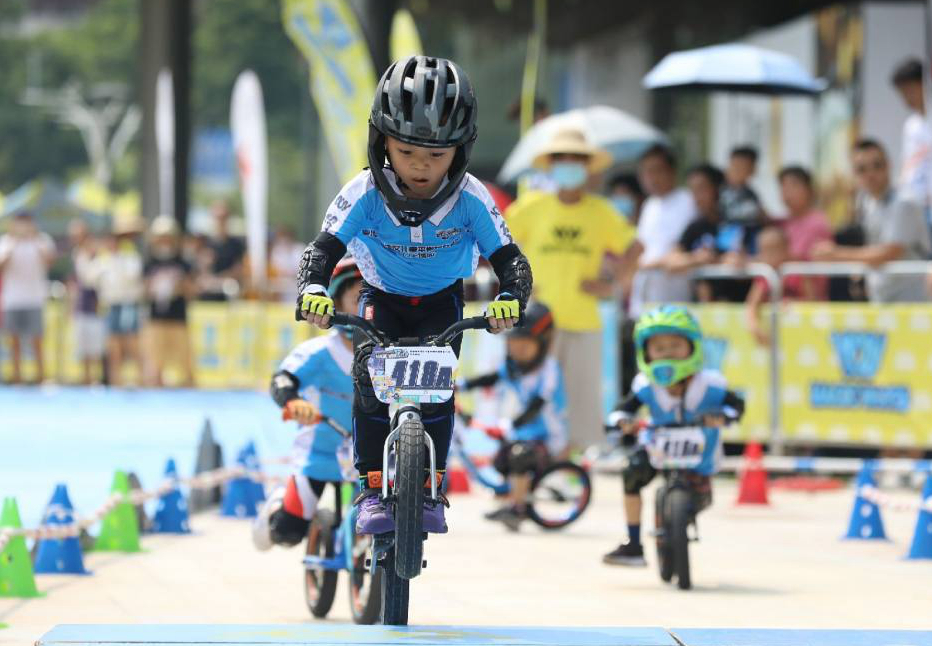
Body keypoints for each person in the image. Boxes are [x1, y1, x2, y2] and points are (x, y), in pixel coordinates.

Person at [296, 55, 532, 536]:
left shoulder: (472, 199)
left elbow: (512, 261)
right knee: (368, 380)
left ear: (461, 151)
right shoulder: (361, 192)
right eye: (406, 152)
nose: (420, 166)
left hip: (443, 305)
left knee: (438, 391)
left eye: (436, 155)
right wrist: (314, 289)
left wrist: (511, 297)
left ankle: (431, 486)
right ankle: (369, 485)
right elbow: (319, 253)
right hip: (379, 300)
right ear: (381, 142)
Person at [506, 128, 634, 451]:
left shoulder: (601, 211)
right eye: (561, 158)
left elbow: (635, 247)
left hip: (582, 319)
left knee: (579, 399)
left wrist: (614, 283)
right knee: (532, 394)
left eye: (577, 158)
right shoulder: (531, 206)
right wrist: (514, 283)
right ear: (550, 164)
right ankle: (531, 459)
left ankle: (569, 465)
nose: (569, 164)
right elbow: (497, 240)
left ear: (588, 165)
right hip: (536, 322)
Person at [602, 305, 744, 566]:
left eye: (675, 345)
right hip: (658, 449)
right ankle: (633, 543)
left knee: (702, 496)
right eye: (659, 348)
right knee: (632, 472)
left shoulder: (710, 385)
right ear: (646, 353)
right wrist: (622, 422)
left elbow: (736, 405)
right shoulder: (646, 386)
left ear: (693, 347)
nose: (667, 353)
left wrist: (724, 416)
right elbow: (621, 410)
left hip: (700, 457)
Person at [254, 259, 363, 550]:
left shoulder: (389, 356)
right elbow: (283, 380)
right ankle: (279, 504)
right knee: (287, 532)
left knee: (384, 519)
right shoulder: (318, 353)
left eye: (374, 299)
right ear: (337, 302)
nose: (368, 308)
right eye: (358, 299)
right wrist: (293, 402)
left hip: (367, 459)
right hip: (318, 455)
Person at [456, 302, 567, 531]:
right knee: (501, 458)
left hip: (548, 437)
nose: (517, 351)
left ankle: (517, 509)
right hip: (525, 433)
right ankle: (513, 498)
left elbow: (537, 407)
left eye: (524, 346)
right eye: (513, 346)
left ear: (543, 343)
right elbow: (490, 378)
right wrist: (460, 385)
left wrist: (509, 425)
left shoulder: (548, 370)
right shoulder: (515, 367)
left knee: (519, 455)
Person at [812, 139, 932, 302]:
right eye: (861, 169)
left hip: (913, 300)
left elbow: (889, 253)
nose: (870, 174)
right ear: (854, 174)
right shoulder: (867, 202)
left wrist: (835, 254)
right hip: (882, 297)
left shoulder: (905, 202)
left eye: (877, 165)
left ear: (888, 165)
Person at [626, 145, 698, 318]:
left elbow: (681, 249)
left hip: (675, 299)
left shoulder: (688, 201)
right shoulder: (649, 205)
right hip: (644, 300)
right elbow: (641, 247)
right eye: (645, 172)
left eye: (656, 170)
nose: (651, 178)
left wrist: (649, 264)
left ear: (672, 171)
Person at [0, 212, 55, 383]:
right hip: (13, 299)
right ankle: (17, 378)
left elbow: (50, 261)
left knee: (36, 340)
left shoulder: (41, 240)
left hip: (35, 298)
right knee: (14, 341)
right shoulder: (7, 241)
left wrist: (34, 238)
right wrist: (15, 241)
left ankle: (41, 377)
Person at [142, 215, 196, 387]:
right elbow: (143, 291)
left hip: (178, 317)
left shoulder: (183, 263)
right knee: (155, 366)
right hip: (156, 318)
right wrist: (154, 288)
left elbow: (191, 291)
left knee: (185, 365)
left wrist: (178, 287)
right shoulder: (150, 263)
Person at [93, 216, 145, 387]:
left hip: (128, 303)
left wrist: (117, 259)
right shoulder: (103, 259)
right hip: (112, 304)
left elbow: (131, 276)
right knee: (113, 344)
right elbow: (89, 278)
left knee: (131, 342)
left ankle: (139, 380)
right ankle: (117, 381)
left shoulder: (130, 255)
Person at [745, 226, 814, 346]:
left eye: (774, 250)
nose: (769, 256)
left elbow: (813, 301)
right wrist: (754, 326)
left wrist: (795, 304)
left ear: (787, 248)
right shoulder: (764, 276)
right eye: (764, 251)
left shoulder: (797, 271)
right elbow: (752, 303)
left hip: (801, 336)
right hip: (774, 340)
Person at [776, 166, 832, 299]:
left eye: (793, 185)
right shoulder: (779, 223)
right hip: (779, 297)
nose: (787, 192)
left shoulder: (818, 223)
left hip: (808, 299)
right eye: (783, 186)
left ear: (809, 190)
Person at [891, 58, 932, 232]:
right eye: (902, 93)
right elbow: (908, 165)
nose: (906, 98)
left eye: (910, 90)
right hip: (917, 205)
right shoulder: (911, 125)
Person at [68, 219, 107, 385]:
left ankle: (96, 378)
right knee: (82, 344)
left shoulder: (100, 255)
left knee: (97, 345)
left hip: (97, 304)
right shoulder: (77, 254)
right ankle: (86, 377)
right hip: (81, 304)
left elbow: (94, 280)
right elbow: (78, 280)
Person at [720, 146, 765, 233]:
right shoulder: (717, 188)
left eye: (743, 167)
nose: (737, 171)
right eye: (736, 166)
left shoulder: (750, 194)